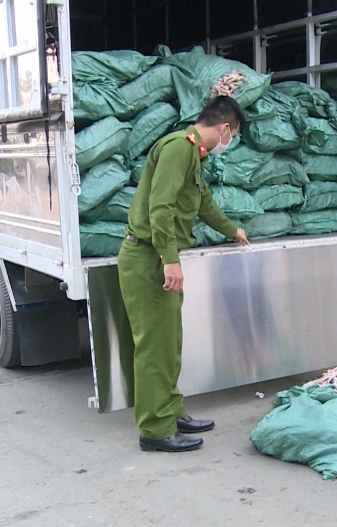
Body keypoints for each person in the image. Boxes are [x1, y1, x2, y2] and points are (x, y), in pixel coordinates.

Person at [119, 96, 251, 452]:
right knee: (154, 348)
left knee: (169, 344)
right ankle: (155, 430)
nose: (231, 141)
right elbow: (159, 206)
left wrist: (231, 229)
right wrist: (169, 258)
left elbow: (202, 201)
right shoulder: (179, 148)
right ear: (225, 128)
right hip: (148, 258)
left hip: (156, 256)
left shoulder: (194, 154)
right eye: (233, 134)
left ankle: (171, 412)